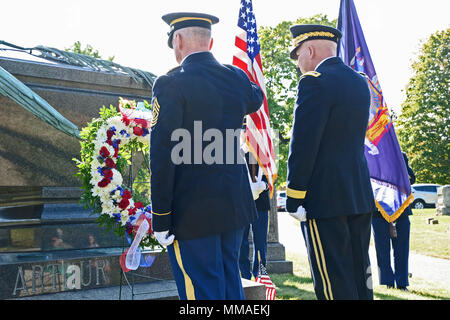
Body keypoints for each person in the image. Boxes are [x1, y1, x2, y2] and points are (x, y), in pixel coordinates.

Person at [150, 12, 264, 300]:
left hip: (192, 211)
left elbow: (162, 157)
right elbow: (256, 98)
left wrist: (161, 218)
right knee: (230, 285)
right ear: (210, 42)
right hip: (234, 204)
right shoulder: (235, 78)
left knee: (202, 293)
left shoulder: (171, 83)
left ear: (178, 40)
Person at [286, 24, 377, 300]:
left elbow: (303, 144)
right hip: (358, 196)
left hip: (325, 200)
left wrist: (294, 196)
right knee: (360, 279)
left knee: (333, 284)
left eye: (298, 55)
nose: (299, 63)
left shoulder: (314, 81)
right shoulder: (359, 81)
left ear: (310, 50)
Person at [371, 152, 415, 291]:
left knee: (402, 249)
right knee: (382, 249)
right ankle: (387, 282)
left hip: (400, 210)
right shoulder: (370, 156)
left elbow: (411, 178)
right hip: (379, 211)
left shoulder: (399, 154)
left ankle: (402, 283)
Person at [239, 150, 271, 280]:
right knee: (242, 242)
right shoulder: (237, 150)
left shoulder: (264, 147)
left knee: (260, 242)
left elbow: (272, 172)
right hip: (242, 201)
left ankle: (260, 275)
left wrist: (264, 184)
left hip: (261, 202)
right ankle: (244, 276)